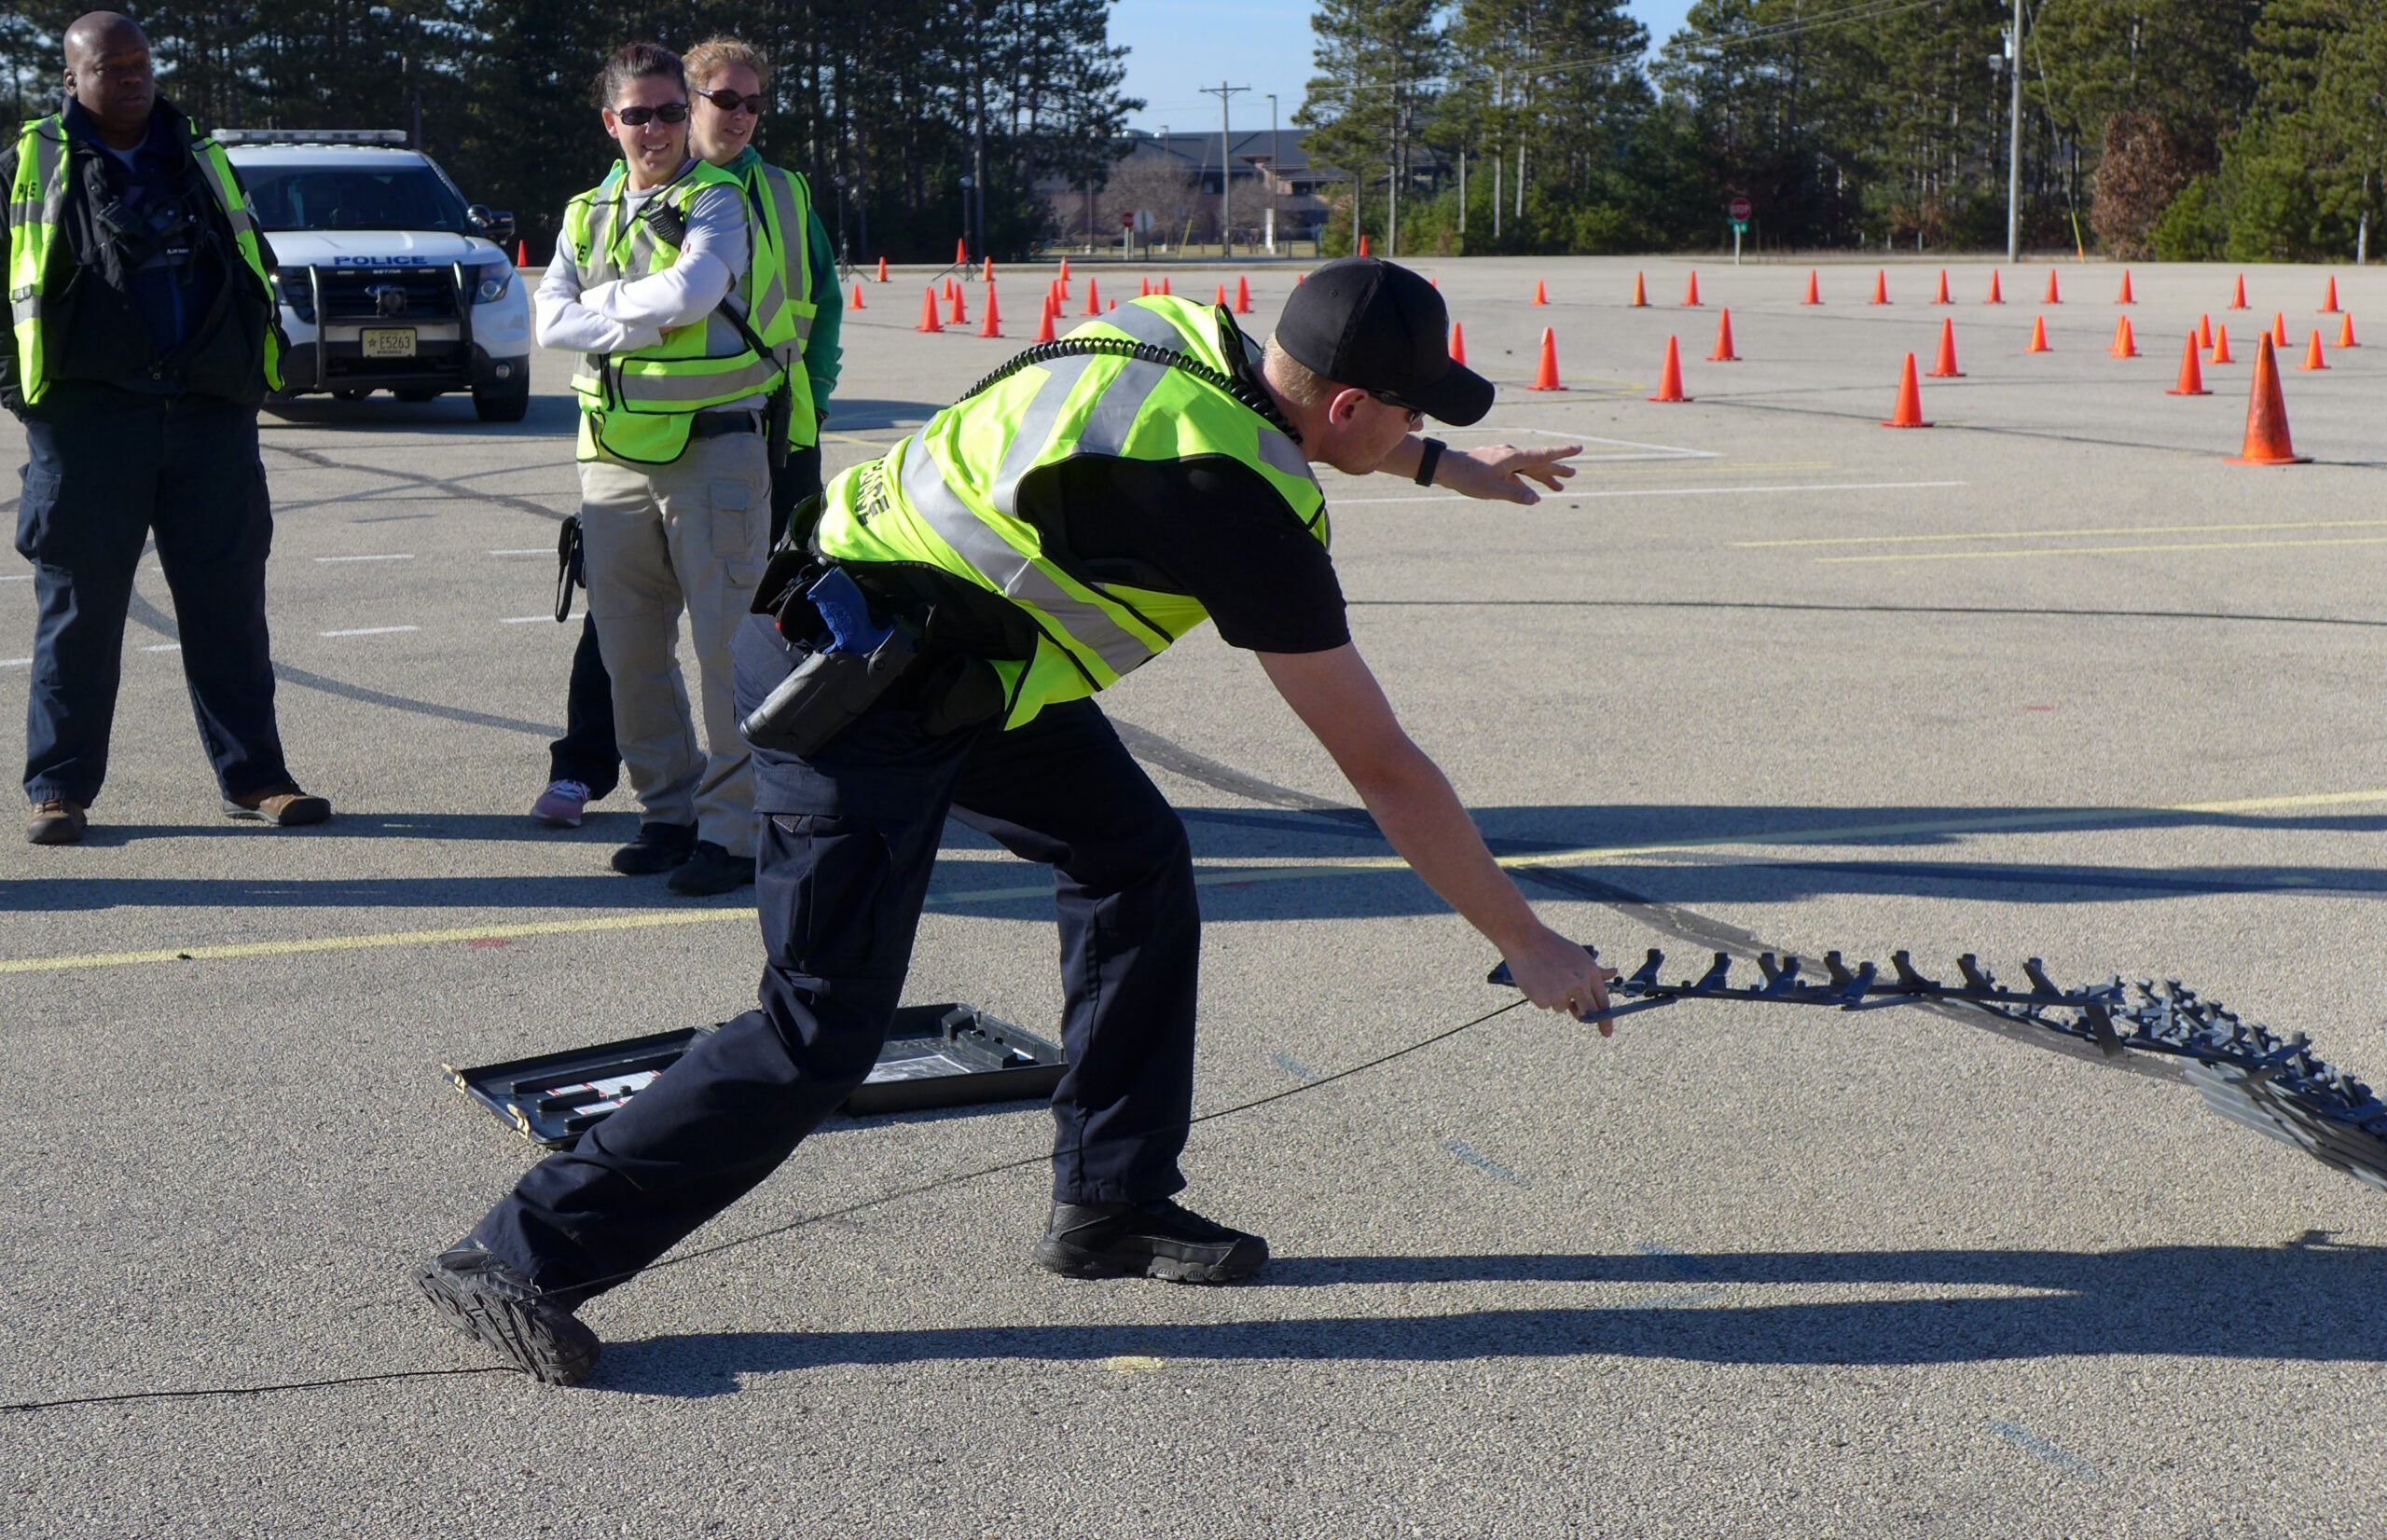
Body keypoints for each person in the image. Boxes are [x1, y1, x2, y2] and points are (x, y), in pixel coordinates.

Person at [413, 257, 1618, 1386]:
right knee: (816, 1031)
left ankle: (1111, 1202)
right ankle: (514, 1255)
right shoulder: (1242, 507)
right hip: (851, 689)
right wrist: (1526, 940)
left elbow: (1305, 423)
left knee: (1132, 856)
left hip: (948, 653)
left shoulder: (1176, 335)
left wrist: (1449, 467)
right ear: (1350, 404)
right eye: (1414, 417)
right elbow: (1387, 769)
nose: (1422, 432)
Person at [4, 10, 329, 846]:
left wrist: (247, 380)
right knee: (80, 614)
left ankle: (258, 779)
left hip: (207, 418)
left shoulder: (198, 155)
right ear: (71, 79)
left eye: (141, 62)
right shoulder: (31, 167)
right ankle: (59, 788)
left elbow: (250, 264)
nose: (132, 77)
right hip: (89, 422)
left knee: (228, 608)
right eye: (109, 67)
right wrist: (34, 403)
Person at [530, 34, 842, 836]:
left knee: (739, 644)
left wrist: (604, 320)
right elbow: (550, 320)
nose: (736, 116)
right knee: (626, 647)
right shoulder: (593, 207)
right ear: (614, 121)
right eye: (719, 101)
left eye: (751, 102)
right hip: (617, 452)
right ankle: (651, 804)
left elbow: (731, 298)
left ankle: (741, 821)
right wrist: (644, 313)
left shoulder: (751, 194)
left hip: (747, 438)